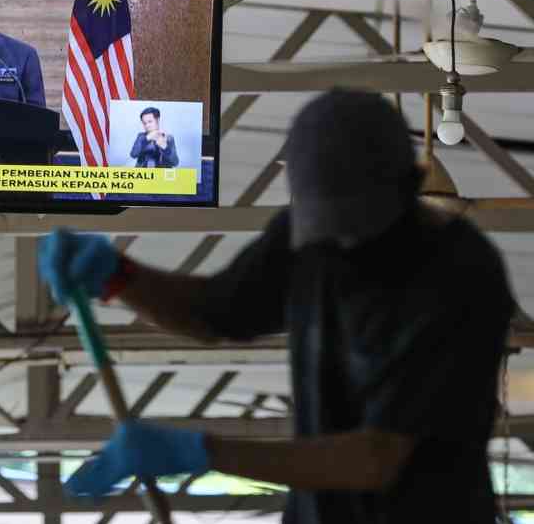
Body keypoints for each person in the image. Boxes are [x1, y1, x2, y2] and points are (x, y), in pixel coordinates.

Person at [38, 89, 515, 523]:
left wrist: (202, 451)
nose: (340, 247)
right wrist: (120, 277)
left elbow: (377, 459)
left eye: (357, 227)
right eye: (328, 228)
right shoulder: (305, 238)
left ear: (410, 187)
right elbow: (217, 311)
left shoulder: (459, 275)